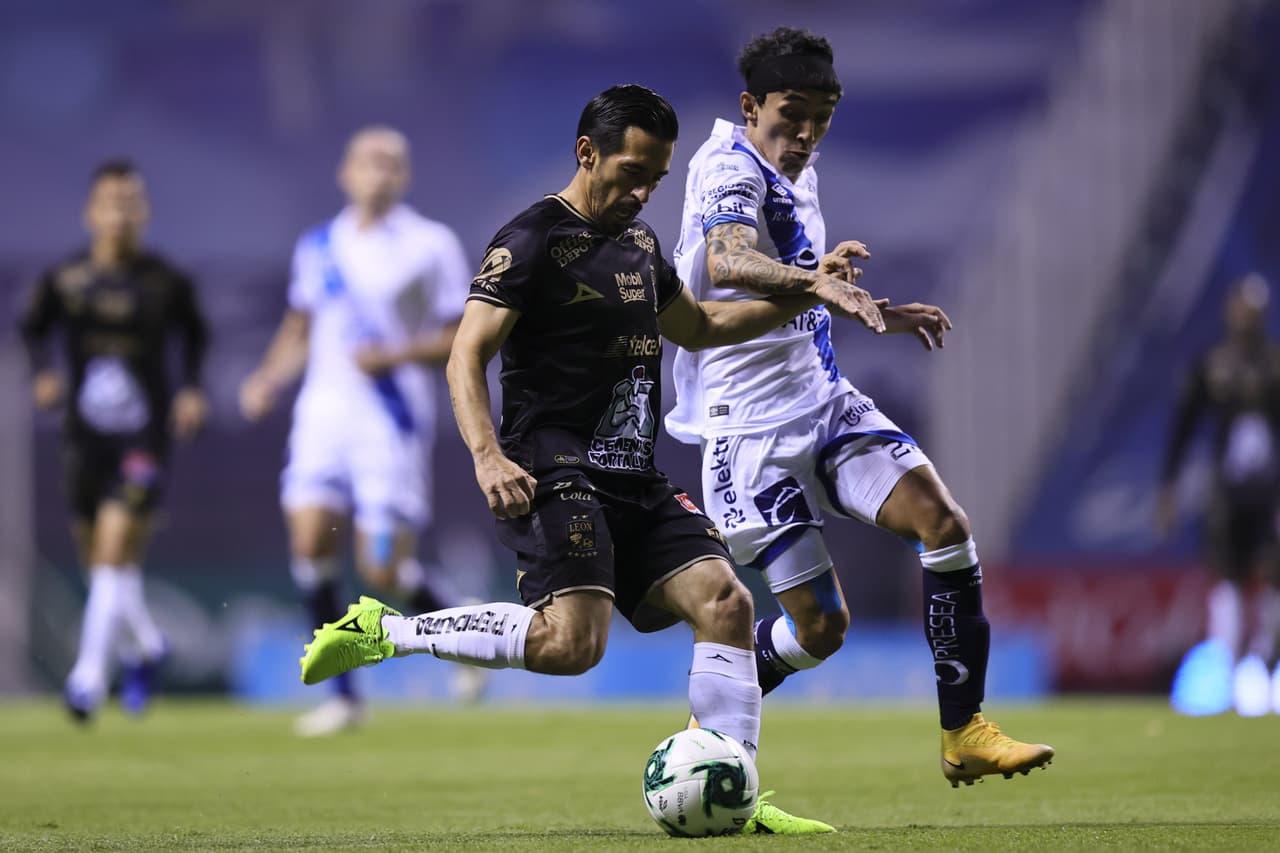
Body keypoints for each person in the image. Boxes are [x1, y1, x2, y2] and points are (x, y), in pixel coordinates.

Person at [299, 84, 886, 833]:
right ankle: (387, 629)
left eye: (656, 180)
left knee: (727, 604)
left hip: (633, 473)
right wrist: (486, 457)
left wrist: (809, 289)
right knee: (571, 645)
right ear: (587, 153)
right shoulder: (532, 238)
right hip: (554, 469)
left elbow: (700, 325)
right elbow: (464, 354)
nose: (642, 193)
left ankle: (734, 784)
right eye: (630, 173)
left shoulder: (639, 244)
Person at [665, 27, 1054, 787]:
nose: (807, 133)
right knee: (821, 628)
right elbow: (729, 258)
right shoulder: (727, 165)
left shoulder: (795, 166)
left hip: (825, 402)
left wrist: (866, 303)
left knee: (944, 525)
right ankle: (709, 729)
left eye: (824, 116)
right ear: (750, 106)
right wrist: (815, 281)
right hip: (750, 435)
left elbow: (794, 278)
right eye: (792, 113)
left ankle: (964, 729)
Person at [239, 126, 484, 737]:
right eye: (369, 161)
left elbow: (462, 337)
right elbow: (300, 327)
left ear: (405, 176)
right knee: (309, 544)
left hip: (389, 417)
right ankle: (346, 698)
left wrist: (395, 356)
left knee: (380, 568)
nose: (379, 172)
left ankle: (463, 630)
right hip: (323, 414)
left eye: (392, 163)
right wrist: (268, 379)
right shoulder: (318, 246)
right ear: (345, 172)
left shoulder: (429, 244)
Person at [18, 158, 210, 722]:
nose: (121, 214)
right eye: (111, 203)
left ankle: (87, 678)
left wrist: (192, 390)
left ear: (144, 211)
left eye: (132, 203)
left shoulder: (165, 281)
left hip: (143, 436)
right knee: (100, 560)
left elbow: (195, 335)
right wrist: (44, 373)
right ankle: (146, 646)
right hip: (84, 437)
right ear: (91, 212)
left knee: (114, 546)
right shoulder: (66, 278)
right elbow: (32, 329)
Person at [1158, 272, 1280, 716]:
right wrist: (1168, 486)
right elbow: (1184, 425)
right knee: (1227, 577)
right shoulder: (1213, 364)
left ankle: (1265, 664)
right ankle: (1228, 668)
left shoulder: (1274, 365)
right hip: (1228, 493)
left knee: (1270, 576)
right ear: (1232, 310)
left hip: (1269, 493)